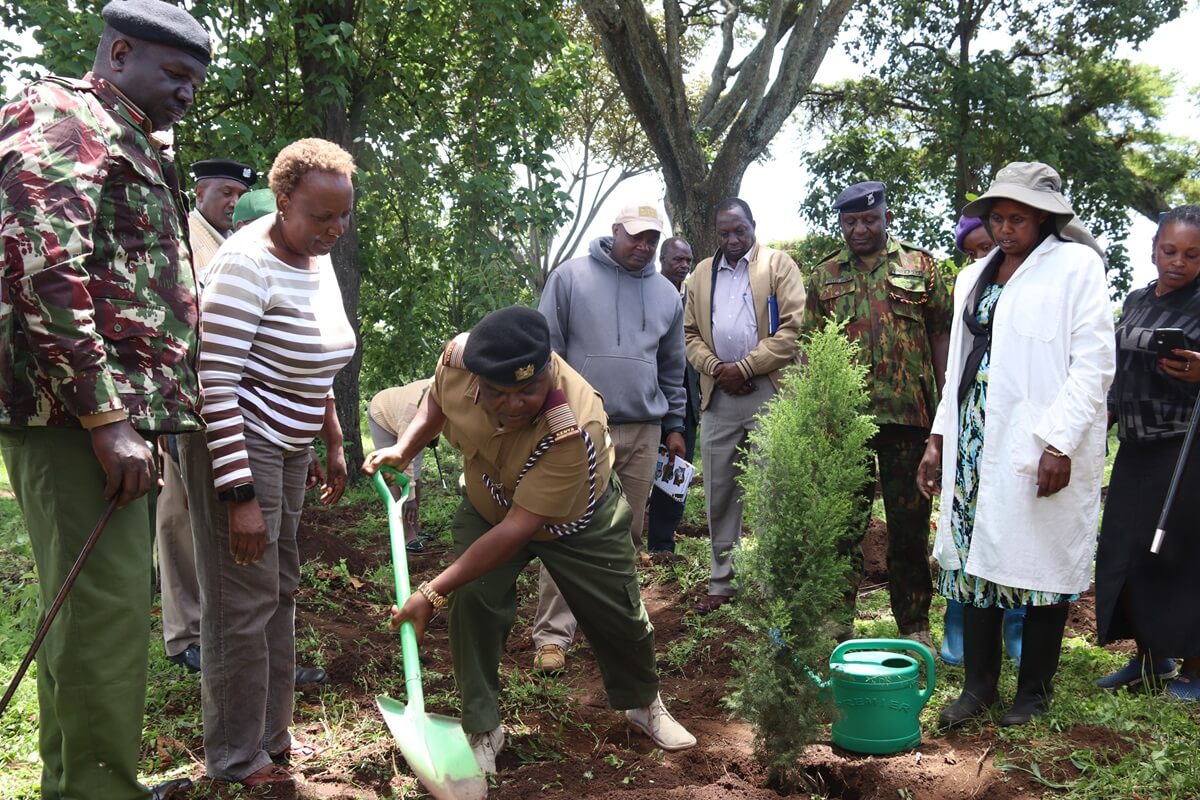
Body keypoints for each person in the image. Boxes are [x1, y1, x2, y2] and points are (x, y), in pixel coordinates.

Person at [0, 2, 210, 798]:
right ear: (119, 53)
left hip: (101, 417)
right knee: (100, 623)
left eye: (196, 80)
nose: (187, 93)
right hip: (75, 420)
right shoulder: (65, 116)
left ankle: (85, 784)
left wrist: (130, 418)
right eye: (176, 74)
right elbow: (42, 267)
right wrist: (106, 416)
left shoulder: (123, 133)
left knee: (99, 619)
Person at [364, 306, 697, 775]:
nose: (514, 403)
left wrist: (429, 591)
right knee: (472, 602)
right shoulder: (459, 364)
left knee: (619, 613)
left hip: (578, 519)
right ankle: (482, 726)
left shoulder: (574, 427)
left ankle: (643, 703)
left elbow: (519, 529)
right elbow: (438, 401)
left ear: (549, 370)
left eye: (529, 389)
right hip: (490, 503)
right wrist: (405, 447)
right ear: (477, 377)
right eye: (498, 393)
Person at [177, 138, 357, 790]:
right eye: (320, 216)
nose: (333, 231)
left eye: (343, 217)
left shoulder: (315, 255)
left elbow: (317, 355)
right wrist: (240, 496)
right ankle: (234, 756)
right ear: (283, 202)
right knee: (241, 602)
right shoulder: (243, 264)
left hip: (288, 442)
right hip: (237, 443)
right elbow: (214, 385)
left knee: (278, 591)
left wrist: (330, 435)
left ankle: (272, 736)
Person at [917, 162, 1115, 728]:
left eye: (1018, 219)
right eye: (997, 218)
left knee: (1039, 565)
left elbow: (1096, 363)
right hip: (973, 435)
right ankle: (978, 688)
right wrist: (937, 438)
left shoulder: (1077, 267)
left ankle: (1033, 693)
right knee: (973, 563)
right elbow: (957, 366)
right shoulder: (972, 276)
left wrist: (1060, 444)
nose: (1005, 229)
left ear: (1045, 217)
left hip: (1037, 438)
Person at [531, 204, 687, 672]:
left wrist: (676, 426)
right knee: (565, 527)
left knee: (627, 532)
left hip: (644, 427)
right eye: (635, 236)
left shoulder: (666, 295)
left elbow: (672, 366)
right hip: (580, 426)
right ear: (614, 232)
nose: (642, 247)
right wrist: (555, 412)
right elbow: (548, 350)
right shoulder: (570, 278)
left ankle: (614, 631)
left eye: (651, 240)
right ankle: (552, 638)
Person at [804, 181, 952, 646]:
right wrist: (817, 415)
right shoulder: (823, 274)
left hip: (908, 420)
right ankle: (835, 622)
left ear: (886, 216)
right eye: (850, 221)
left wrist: (945, 411)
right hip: (845, 423)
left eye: (869, 219)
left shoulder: (921, 266)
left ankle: (915, 626)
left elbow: (942, 338)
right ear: (841, 223)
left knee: (908, 529)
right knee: (842, 526)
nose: (860, 228)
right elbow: (811, 352)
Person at [1094, 205, 1200, 699]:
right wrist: (1105, 417)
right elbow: (1115, 368)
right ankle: (1148, 658)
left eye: (1193, 254)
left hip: (1185, 449)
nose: (1178, 262)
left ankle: (1195, 670)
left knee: (1181, 557)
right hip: (1134, 447)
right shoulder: (1135, 300)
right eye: (1169, 250)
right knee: (1127, 551)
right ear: (1153, 249)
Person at [683, 198, 806, 615]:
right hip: (719, 396)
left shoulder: (778, 265)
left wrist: (748, 366)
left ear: (754, 226)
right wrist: (717, 367)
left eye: (740, 231)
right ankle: (722, 582)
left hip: (769, 390)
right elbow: (690, 334)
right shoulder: (701, 274)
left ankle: (773, 583)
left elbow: (792, 329)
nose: (733, 239)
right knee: (719, 491)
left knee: (773, 489)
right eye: (724, 232)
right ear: (716, 233)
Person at [159, 157, 257, 674]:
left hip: (221, 406)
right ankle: (185, 637)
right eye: (224, 191)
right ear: (199, 192)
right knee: (182, 521)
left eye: (239, 194)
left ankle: (209, 633)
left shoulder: (231, 243)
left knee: (199, 519)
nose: (232, 202)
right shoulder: (185, 237)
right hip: (187, 401)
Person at [940, 215, 1025, 667]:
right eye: (970, 250)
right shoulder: (969, 283)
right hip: (970, 415)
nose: (980, 256)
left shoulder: (1035, 281)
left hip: (1015, 419)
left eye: (985, 246)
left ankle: (1016, 627)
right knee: (963, 525)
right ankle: (958, 628)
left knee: (1011, 526)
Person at [647, 236, 701, 554]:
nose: (682, 266)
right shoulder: (647, 292)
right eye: (676, 260)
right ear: (662, 261)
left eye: (687, 261)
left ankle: (662, 545)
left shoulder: (692, 298)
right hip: (650, 400)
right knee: (639, 472)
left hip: (686, 401)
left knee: (675, 473)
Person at [367, 379, 436, 551]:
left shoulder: (443, 392)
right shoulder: (412, 411)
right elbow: (405, 459)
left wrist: (434, 436)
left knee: (416, 479)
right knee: (393, 476)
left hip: (405, 418)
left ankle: (415, 528)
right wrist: (410, 499)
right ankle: (406, 534)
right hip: (382, 414)